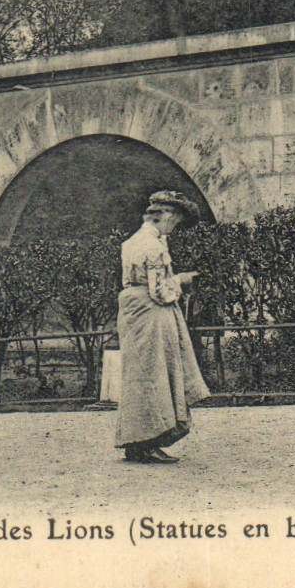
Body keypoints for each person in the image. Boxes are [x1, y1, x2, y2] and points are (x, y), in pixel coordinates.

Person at [115, 190, 209, 463]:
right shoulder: (154, 246)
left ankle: (135, 441)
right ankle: (149, 441)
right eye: (174, 221)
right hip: (152, 314)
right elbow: (160, 292)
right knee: (157, 373)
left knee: (138, 374)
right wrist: (181, 281)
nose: (174, 226)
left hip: (132, 312)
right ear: (165, 216)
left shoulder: (131, 242)